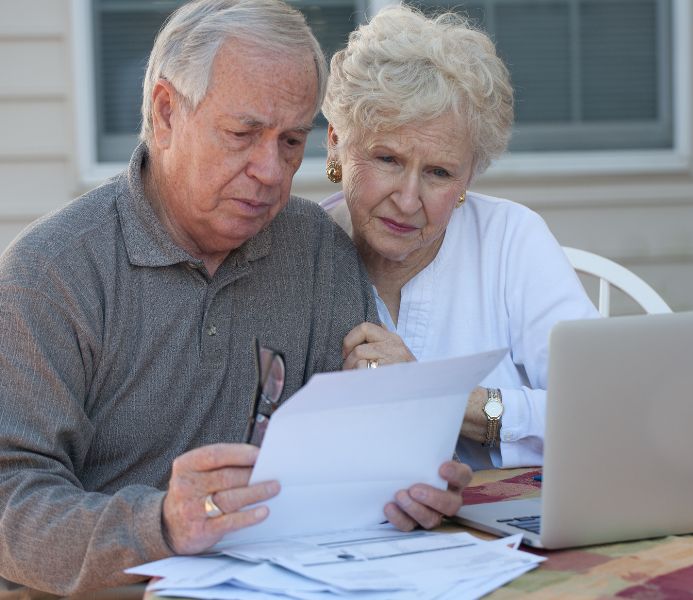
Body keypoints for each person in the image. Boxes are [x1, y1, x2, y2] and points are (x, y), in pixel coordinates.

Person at [0, 1, 470, 595]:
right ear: (167, 113)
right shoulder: (53, 273)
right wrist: (163, 524)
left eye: (292, 141)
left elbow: (343, 461)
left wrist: (401, 483)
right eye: (243, 134)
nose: (271, 170)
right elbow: (11, 502)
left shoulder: (316, 252)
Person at [321, 5, 599, 470]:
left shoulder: (511, 239)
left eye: (439, 172)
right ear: (335, 143)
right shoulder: (298, 254)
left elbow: (604, 408)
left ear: (470, 176)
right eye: (387, 158)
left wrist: (437, 397)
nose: (408, 200)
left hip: (513, 525)